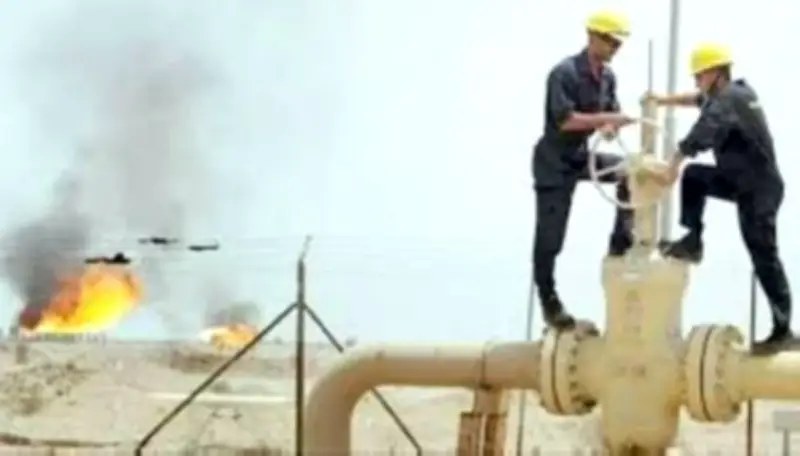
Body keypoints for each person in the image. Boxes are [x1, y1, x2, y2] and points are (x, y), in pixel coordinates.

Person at [649, 43, 793, 353]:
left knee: (764, 255)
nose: (696, 82)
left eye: (699, 76)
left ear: (716, 74)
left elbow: (703, 131)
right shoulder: (731, 95)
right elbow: (697, 101)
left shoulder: (729, 99)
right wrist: (662, 100)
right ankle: (693, 241)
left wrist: (672, 165)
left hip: (759, 189)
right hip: (739, 182)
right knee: (695, 177)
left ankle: (783, 331)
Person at [532, 10, 638, 330]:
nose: (615, 48)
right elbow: (566, 120)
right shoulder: (563, 73)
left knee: (630, 172)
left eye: (618, 43)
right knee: (551, 239)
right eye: (611, 41)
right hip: (553, 162)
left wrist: (610, 128)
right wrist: (605, 120)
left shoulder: (607, 78)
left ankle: (620, 245)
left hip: (581, 157)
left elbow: (610, 115)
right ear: (592, 36)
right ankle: (549, 301)